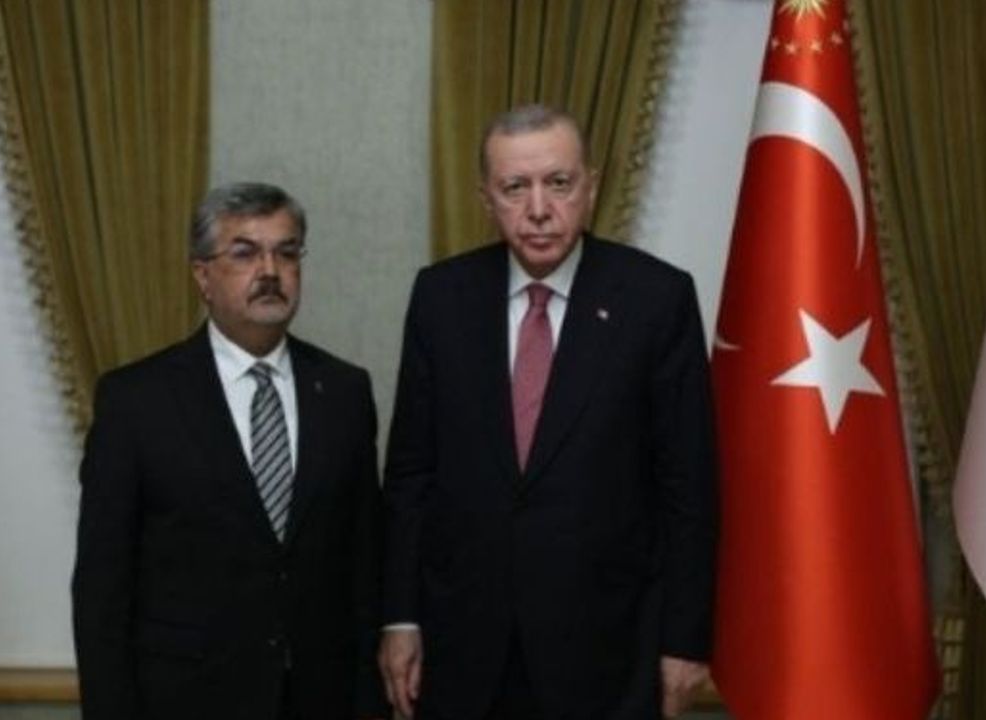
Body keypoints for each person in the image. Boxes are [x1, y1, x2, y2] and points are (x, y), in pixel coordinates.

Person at [379, 105, 718, 720]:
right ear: (487, 199)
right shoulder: (441, 296)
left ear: (591, 186)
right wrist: (400, 617)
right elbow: (410, 473)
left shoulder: (656, 299)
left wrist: (685, 639)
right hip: (464, 643)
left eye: (558, 183)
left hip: (608, 645)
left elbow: (688, 484)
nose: (539, 209)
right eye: (515, 188)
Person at [72, 182, 387, 719]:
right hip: (186, 697)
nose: (270, 271)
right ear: (202, 276)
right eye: (245, 253)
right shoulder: (136, 400)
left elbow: (364, 565)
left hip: (320, 696)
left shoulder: (343, 391)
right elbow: (103, 587)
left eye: (286, 253)